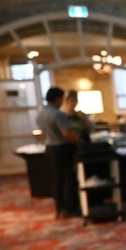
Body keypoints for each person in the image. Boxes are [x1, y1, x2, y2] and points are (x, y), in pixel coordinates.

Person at [37, 87, 81, 218]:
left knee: (57, 179)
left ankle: (59, 208)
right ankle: (69, 208)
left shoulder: (41, 113)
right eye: (61, 98)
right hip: (62, 149)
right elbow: (67, 133)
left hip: (49, 148)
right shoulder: (58, 114)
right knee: (69, 178)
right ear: (57, 99)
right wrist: (79, 142)